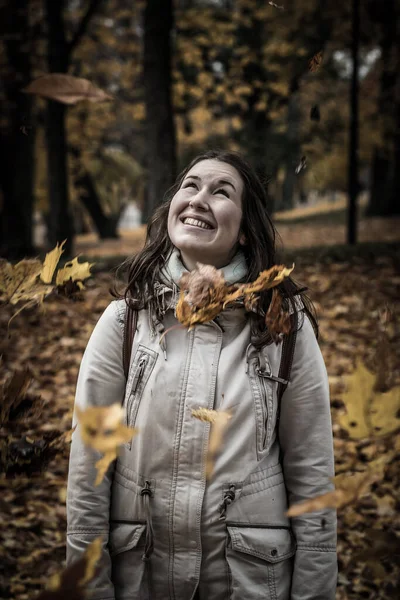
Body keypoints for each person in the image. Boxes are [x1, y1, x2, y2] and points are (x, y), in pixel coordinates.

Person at [67, 150, 337, 600]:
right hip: (140, 581)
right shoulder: (124, 321)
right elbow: (87, 477)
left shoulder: (282, 327)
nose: (198, 198)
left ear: (247, 231)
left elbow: (312, 477)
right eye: (190, 186)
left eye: (221, 191)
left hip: (247, 584)